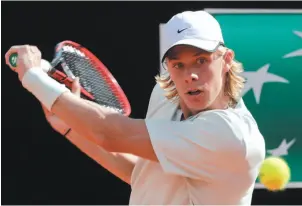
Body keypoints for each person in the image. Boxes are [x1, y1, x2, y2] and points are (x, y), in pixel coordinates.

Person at [5, 10, 265, 205]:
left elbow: (110, 133)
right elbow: (141, 175)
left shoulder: (232, 136)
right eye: (178, 65)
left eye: (201, 60)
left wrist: (33, 77)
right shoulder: (166, 97)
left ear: (227, 59)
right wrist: (71, 126)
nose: (190, 75)